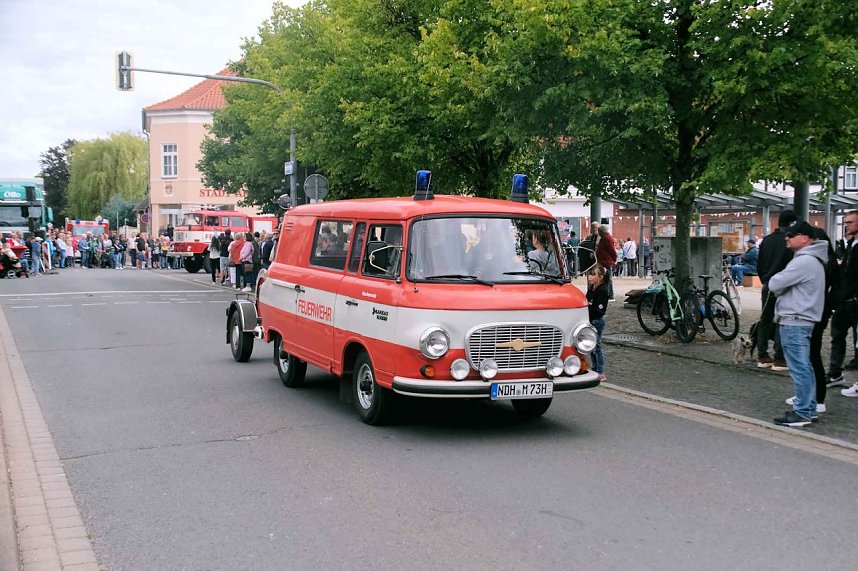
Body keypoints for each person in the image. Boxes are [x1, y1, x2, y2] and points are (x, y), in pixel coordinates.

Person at [769, 220, 827, 427]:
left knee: (799, 367)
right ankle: (808, 408)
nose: (787, 238)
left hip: (794, 319)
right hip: (802, 319)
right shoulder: (813, 259)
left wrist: (779, 285)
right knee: (805, 366)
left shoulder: (804, 261)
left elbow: (775, 283)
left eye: (791, 235)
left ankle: (802, 412)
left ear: (804, 238)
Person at [785, 226, 839, 416]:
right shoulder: (825, 261)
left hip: (813, 312)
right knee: (807, 356)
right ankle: (809, 397)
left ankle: (816, 399)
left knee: (810, 356)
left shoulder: (819, 262)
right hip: (817, 311)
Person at [756, 209, 797, 370]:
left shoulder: (767, 240)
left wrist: (765, 280)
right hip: (785, 286)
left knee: (765, 320)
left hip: (768, 285)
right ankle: (779, 358)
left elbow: (759, 264)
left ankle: (762, 355)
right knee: (782, 320)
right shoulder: (790, 241)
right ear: (792, 223)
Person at [833, 210, 858, 395]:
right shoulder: (850, 244)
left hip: (853, 300)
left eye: (850, 222)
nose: (847, 225)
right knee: (837, 335)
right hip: (845, 300)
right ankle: (834, 373)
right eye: (846, 222)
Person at [586, 264, 609, 382]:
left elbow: (600, 309)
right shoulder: (592, 287)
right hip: (590, 319)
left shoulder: (602, 290)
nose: (590, 277)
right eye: (589, 274)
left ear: (600, 277)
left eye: (593, 274)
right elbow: (587, 300)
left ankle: (600, 371)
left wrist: (591, 311)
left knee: (597, 347)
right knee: (591, 347)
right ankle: (594, 368)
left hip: (597, 320)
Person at [595, 225, 617, 300]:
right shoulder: (604, 238)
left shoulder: (607, 239)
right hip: (604, 261)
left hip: (606, 262)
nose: (598, 232)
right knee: (605, 279)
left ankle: (610, 295)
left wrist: (613, 260)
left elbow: (612, 251)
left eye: (599, 231)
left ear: (602, 231)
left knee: (608, 279)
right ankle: (606, 294)